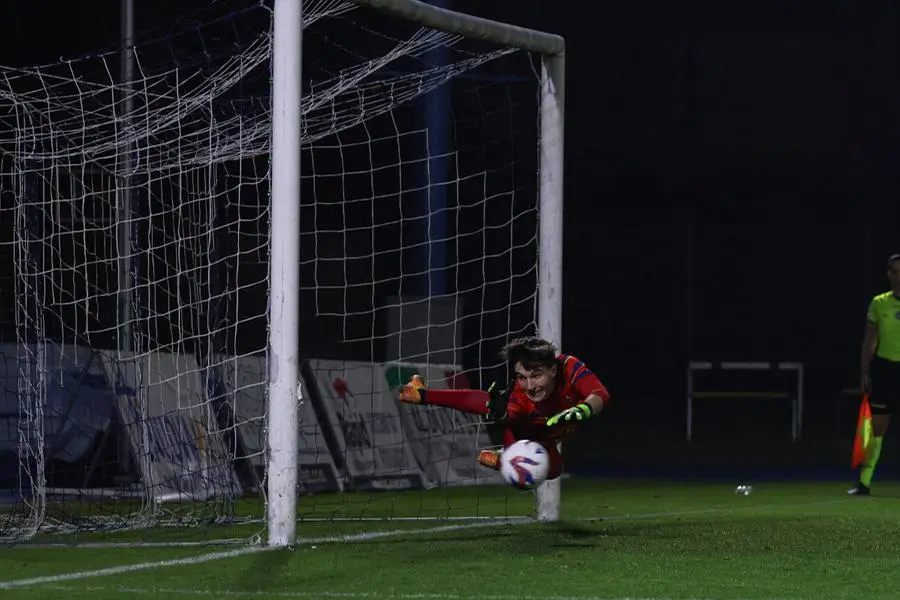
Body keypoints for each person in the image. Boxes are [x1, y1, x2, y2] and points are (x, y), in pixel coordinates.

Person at [398, 336, 611, 481]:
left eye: (536, 376)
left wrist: (583, 409)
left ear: (553, 370)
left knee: (555, 469)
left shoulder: (568, 366)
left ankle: (505, 459)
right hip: (525, 436)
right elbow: (484, 404)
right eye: (521, 377)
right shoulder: (519, 397)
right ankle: (421, 394)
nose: (530, 386)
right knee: (495, 408)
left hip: (548, 439)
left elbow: (600, 394)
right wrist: (500, 414)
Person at [850, 254, 900, 496]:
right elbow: (869, 341)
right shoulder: (879, 303)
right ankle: (864, 483)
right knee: (878, 427)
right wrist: (865, 371)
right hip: (887, 370)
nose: (898, 276)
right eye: (894, 271)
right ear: (889, 274)